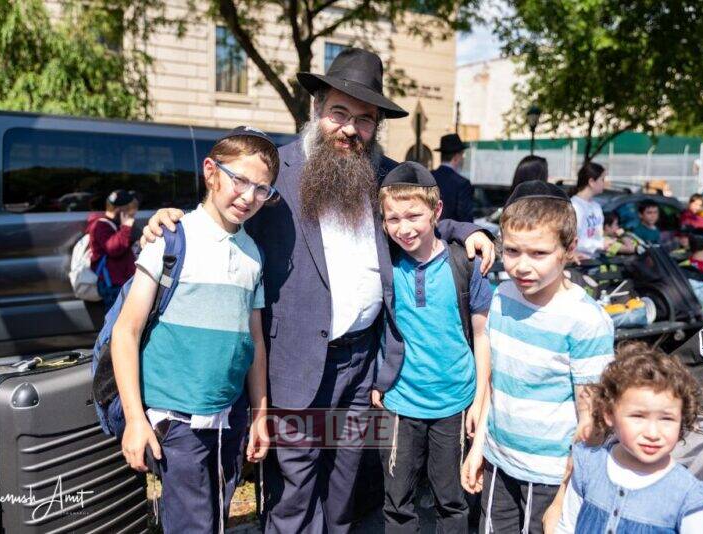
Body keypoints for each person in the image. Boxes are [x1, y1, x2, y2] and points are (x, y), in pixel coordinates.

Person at [140, 47, 495, 534]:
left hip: (364, 371)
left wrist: (469, 231)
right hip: (295, 367)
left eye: (364, 120)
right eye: (339, 113)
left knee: (345, 490)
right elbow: (221, 213)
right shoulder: (275, 172)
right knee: (294, 493)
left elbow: (422, 216)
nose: (350, 128)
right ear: (317, 109)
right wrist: (168, 221)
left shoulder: (382, 174)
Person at [110, 127, 278, 534]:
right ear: (211, 172)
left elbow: (254, 340)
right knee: (193, 524)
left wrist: (259, 414)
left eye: (262, 189)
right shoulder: (171, 239)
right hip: (177, 420)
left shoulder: (253, 254)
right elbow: (126, 332)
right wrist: (134, 419)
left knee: (216, 516)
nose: (248, 197)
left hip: (229, 415)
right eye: (240, 180)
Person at [461, 180, 615, 533]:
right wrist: (479, 447)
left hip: (551, 475)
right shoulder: (502, 296)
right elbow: (497, 383)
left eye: (539, 254)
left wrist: (563, 496)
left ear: (569, 249)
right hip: (499, 461)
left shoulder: (586, 320)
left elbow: (591, 421)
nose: (521, 266)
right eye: (513, 251)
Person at [371, 162, 493, 532]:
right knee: (397, 503)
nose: (404, 228)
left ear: (436, 211)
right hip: (400, 402)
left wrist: (480, 400)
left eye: (414, 216)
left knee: (452, 502)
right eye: (393, 219)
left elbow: (483, 338)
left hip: (454, 402)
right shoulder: (385, 261)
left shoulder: (465, 264)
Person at [551, 342, 703, 534]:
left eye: (666, 419)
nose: (652, 433)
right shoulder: (589, 466)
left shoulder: (689, 496)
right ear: (609, 414)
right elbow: (567, 526)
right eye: (638, 416)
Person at [88, 189, 138, 310]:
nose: (133, 214)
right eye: (130, 211)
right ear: (120, 210)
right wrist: (126, 226)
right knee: (115, 316)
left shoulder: (116, 223)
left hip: (122, 280)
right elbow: (114, 249)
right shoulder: (101, 225)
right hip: (112, 283)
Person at [432, 133, 475, 222]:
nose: (463, 159)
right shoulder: (462, 184)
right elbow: (466, 222)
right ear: (456, 157)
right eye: (462, 155)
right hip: (451, 231)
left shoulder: (428, 177)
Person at [571, 162, 606, 259]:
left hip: (596, 260)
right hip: (579, 263)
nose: (604, 183)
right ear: (591, 182)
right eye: (602, 179)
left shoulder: (597, 206)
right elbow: (571, 241)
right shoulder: (574, 206)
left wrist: (609, 241)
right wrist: (601, 244)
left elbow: (598, 236)